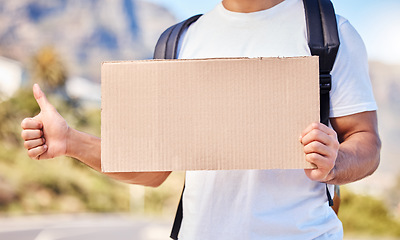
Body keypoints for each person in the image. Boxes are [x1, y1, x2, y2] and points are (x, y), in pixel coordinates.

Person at [21, 0, 381, 239]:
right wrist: (70, 141)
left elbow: (367, 141)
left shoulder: (327, 32)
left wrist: (338, 161)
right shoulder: (180, 41)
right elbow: (152, 170)